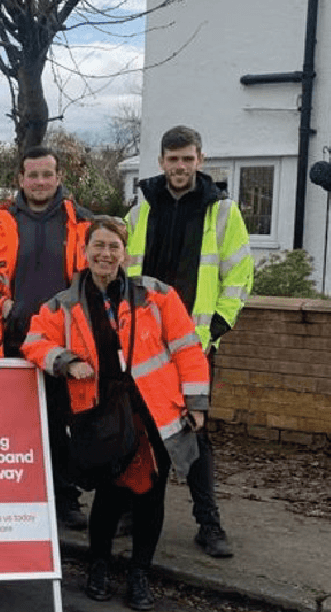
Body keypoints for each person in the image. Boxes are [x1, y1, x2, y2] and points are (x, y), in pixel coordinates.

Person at [22, 216, 211, 610]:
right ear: (85, 251)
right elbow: (35, 342)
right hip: (100, 415)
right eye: (99, 246)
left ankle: (140, 573)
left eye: (114, 247)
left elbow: (188, 350)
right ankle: (99, 566)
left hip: (154, 413)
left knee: (151, 495)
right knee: (109, 494)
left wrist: (196, 404)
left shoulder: (157, 296)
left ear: (125, 254)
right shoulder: (64, 303)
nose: (106, 254)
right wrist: (66, 361)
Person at [125, 125, 255, 558]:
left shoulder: (221, 210)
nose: (179, 166)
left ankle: (208, 522)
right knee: (138, 426)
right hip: (142, 340)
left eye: (188, 158)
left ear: (200, 160)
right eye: (172, 159)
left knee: (195, 432)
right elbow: (118, 260)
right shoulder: (142, 205)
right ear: (161, 162)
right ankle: (132, 507)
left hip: (192, 345)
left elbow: (239, 274)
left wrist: (216, 326)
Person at [0, 145, 94, 530]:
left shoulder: (80, 223)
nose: (40, 182)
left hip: (64, 344)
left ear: (59, 178)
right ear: (20, 179)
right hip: (11, 338)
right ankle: (16, 495)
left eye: (47, 174)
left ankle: (65, 498)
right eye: (32, 175)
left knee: (61, 423)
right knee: (12, 423)